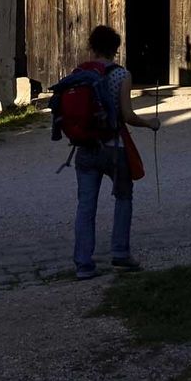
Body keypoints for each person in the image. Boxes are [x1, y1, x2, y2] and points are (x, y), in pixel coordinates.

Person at [67, 24, 159, 280]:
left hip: (85, 148)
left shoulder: (80, 73)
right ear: (115, 49)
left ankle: (83, 264)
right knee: (123, 198)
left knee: (85, 207)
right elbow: (127, 116)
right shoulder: (122, 75)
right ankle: (120, 254)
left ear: (91, 46)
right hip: (114, 148)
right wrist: (150, 123)